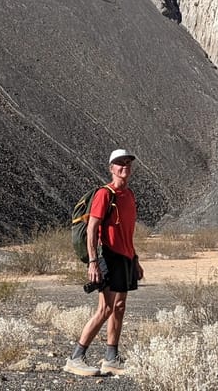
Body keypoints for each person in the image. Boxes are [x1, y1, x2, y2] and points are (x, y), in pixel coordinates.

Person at [64, 148, 143, 377]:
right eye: (119, 163)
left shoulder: (129, 196)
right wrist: (93, 262)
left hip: (125, 257)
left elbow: (127, 232)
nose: (124, 166)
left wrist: (135, 259)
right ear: (111, 168)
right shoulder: (104, 194)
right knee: (105, 308)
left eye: (127, 162)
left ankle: (111, 359)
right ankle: (76, 357)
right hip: (107, 256)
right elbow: (92, 229)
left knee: (119, 307)